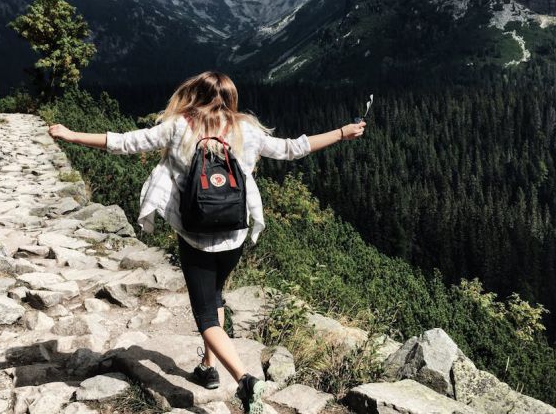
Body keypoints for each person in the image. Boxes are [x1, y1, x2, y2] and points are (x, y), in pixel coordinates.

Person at [47, 71, 366, 414]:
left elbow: (126, 142)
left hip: (195, 236)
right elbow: (293, 149)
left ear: (194, 95)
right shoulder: (246, 130)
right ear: (231, 99)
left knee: (205, 316)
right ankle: (207, 368)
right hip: (234, 233)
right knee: (216, 295)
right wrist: (342, 133)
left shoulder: (179, 126)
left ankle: (244, 380)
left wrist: (72, 135)